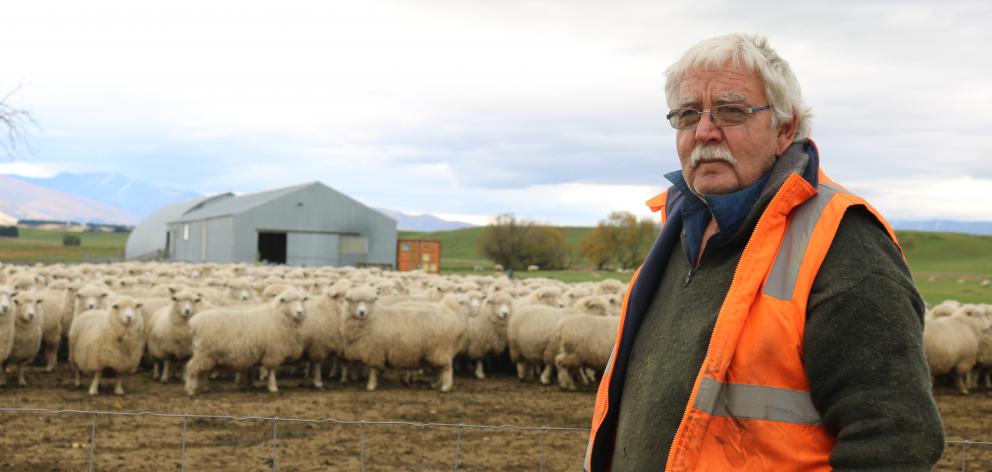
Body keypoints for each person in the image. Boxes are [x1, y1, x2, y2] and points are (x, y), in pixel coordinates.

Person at [584, 33, 945, 471]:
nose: (704, 131)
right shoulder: (678, 236)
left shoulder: (842, 243)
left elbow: (896, 439)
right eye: (686, 114)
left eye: (731, 111)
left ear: (785, 128)